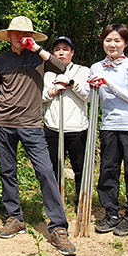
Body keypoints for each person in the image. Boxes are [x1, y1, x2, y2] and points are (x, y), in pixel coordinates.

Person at [0, 16, 76, 256]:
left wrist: (37, 49)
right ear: (8, 36)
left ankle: (58, 226)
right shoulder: (0, 60)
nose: (19, 37)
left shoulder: (39, 57)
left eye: (24, 33)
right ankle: (14, 217)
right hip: (5, 123)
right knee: (7, 171)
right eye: (15, 33)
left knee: (45, 171)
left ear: (31, 36)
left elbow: (62, 68)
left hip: (31, 124)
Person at [89, 24, 128, 236]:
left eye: (117, 40)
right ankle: (111, 213)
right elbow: (91, 98)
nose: (112, 44)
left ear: (125, 43)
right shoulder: (96, 67)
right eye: (108, 40)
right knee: (108, 170)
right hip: (109, 125)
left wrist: (106, 82)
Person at [41, 36, 89, 206]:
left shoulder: (83, 71)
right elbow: (39, 98)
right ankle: (55, 201)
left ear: (72, 52)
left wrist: (72, 84)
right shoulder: (46, 73)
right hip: (53, 128)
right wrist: (53, 90)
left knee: (80, 167)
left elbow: (89, 97)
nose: (61, 53)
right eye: (57, 49)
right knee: (53, 167)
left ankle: (81, 200)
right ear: (52, 53)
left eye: (65, 49)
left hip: (77, 128)